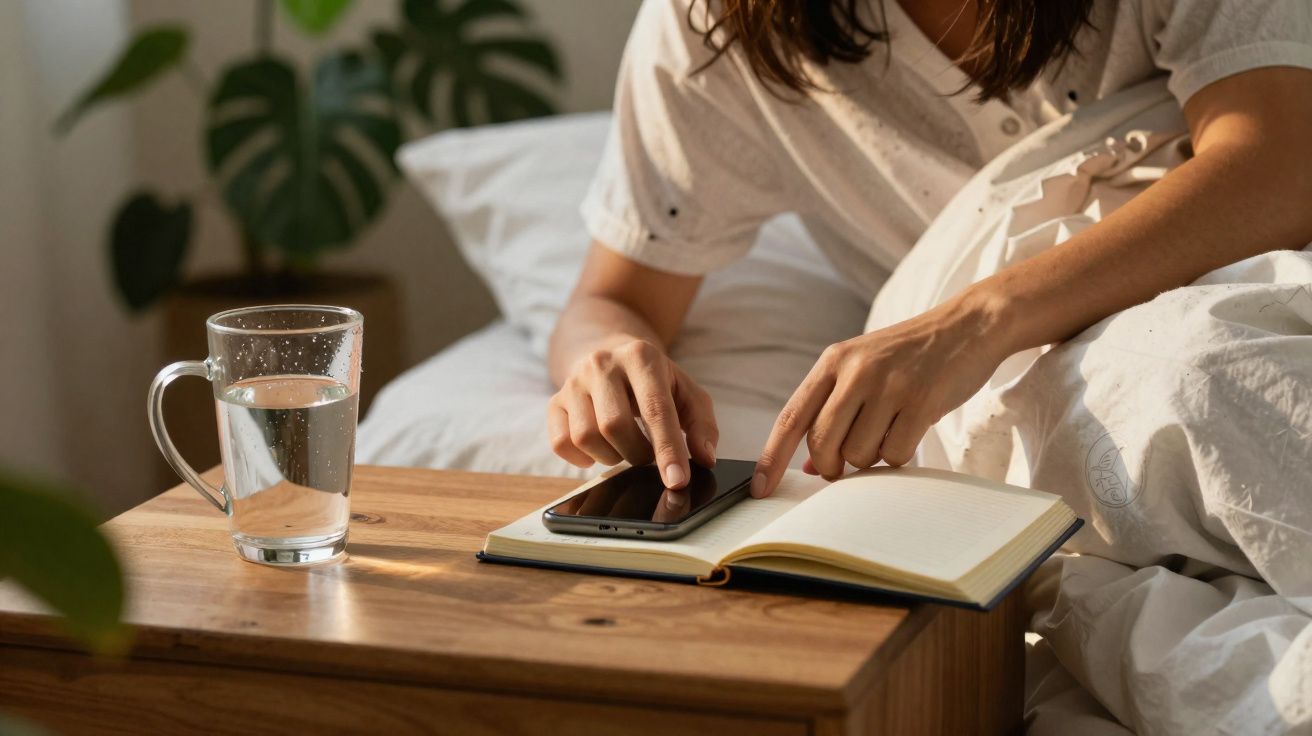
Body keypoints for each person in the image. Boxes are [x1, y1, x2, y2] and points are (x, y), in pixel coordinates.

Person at [546, 0, 1312, 498]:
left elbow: (1279, 162)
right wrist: (605, 361)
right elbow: (615, 298)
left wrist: (973, 324)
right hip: (1029, 423)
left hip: (1231, 303)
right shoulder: (709, 29)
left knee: (1202, 381)